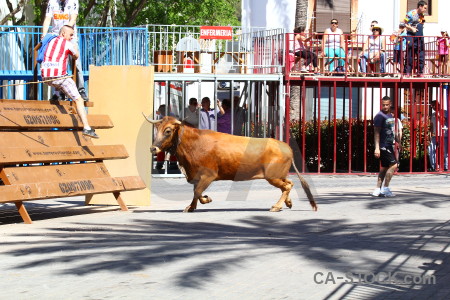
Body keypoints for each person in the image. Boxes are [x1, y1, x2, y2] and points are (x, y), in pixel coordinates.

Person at [41, 25, 98, 139]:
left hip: (45, 76)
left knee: (59, 83)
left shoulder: (51, 40)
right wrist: (74, 48)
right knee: (78, 99)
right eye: (71, 35)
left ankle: (57, 95)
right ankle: (87, 127)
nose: (72, 37)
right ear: (63, 34)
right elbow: (76, 56)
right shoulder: (67, 43)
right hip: (59, 77)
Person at [42, 0, 88, 101]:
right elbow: (47, 19)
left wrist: (65, 31)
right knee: (56, 63)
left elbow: (73, 19)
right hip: (56, 36)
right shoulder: (52, 2)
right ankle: (58, 93)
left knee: (76, 63)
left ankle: (81, 89)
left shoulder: (73, 1)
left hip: (69, 36)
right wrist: (44, 35)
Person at [372, 96, 398, 197]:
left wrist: (398, 141)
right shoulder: (379, 116)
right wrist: (377, 147)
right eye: (383, 105)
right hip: (383, 145)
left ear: (390, 104)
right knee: (394, 165)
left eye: (387, 105)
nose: (385, 106)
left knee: (385, 167)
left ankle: (377, 189)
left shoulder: (390, 115)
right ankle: (386, 188)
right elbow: (376, 133)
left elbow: (392, 130)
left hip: (389, 144)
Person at [403, 1, 427, 77]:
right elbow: (404, 24)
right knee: (410, 53)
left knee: (421, 54)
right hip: (411, 35)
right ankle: (407, 71)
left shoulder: (422, 14)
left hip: (420, 36)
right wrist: (412, 28)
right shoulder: (411, 13)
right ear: (420, 6)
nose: (425, 10)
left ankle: (420, 72)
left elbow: (422, 22)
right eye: (424, 8)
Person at [428, 100, 448, 171]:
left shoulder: (445, 112)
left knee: (445, 151)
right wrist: (430, 135)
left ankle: (447, 167)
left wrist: (439, 116)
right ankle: (435, 166)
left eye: (434, 105)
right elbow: (431, 125)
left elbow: (445, 121)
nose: (433, 107)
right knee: (431, 149)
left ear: (438, 105)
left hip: (444, 134)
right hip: (435, 135)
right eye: (432, 106)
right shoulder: (433, 114)